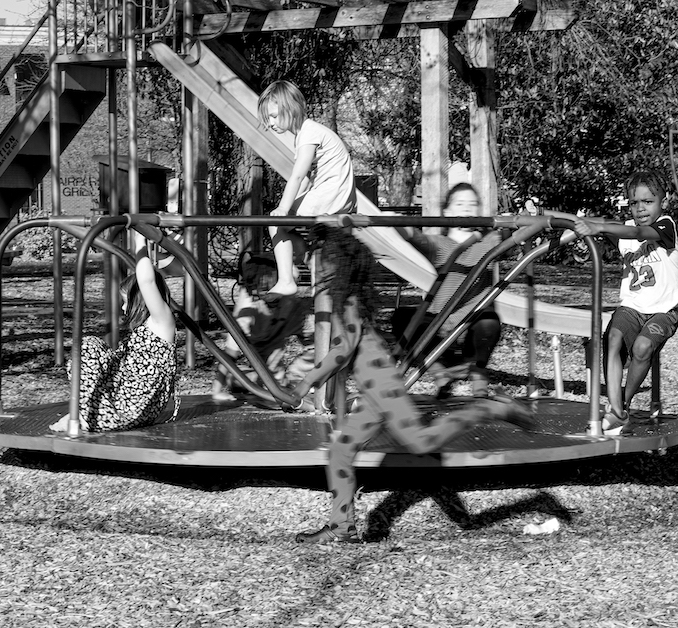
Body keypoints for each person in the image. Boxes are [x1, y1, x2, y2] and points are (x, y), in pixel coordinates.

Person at [291, 226, 536, 543]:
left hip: (384, 389)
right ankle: (342, 525)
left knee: (421, 443)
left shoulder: (347, 302)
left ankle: (490, 407)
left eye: (324, 260)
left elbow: (342, 350)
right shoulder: (345, 299)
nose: (318, 265)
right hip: (373, 392)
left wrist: (304, 384)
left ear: (340, 266)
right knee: (340, 450)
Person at [573, 169, 678, 435]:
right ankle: (616, 411)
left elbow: (640, 233)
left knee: (643, 347)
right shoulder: (624, 231)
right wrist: (582, 234)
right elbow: (605, 234)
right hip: (632, 307)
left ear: (663, 202)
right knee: (612, 338)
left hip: (663, 311)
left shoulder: (666, 225)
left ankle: (622, 403)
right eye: (634, 203)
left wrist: (598, 227)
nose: (640, 208)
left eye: (648, 201)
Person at [392, 177, 503, 398]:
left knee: (490, 322)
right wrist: (392, 221)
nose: (466, 210)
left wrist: (511, 223)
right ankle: (438, 371)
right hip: (440, 320)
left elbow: (514, 235)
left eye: (472, 205)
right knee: (401, 319)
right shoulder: (439, 244)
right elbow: (414, 237)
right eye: (459, 204)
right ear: (447, 210)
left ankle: (478, 378)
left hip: (474, 318)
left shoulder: (490, 241)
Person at [51, 245, 179, 433]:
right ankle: (86, 413)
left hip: (131, 409)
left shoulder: (161, 322)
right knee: (93, 346)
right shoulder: (147, 329)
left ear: (141, 300)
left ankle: (85, 417)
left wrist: (140, 243)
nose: (123, 308)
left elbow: (146, 281)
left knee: (87, 347)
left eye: (127, 301)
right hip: (130, 406)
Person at [257, 80, 357, 299]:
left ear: (291, 109)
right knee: (282, 224)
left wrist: (283, 208)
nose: (271, 123)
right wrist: (289, 206)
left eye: (274, 116)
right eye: (268, 118)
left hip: (332, 194)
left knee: (276, 224)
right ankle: (308, 261)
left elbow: (298, 175)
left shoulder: (309, 133)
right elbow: (307, 180)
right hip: (340, 195)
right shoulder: (309, 132)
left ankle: (286, 280)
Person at [212, 252, 314, 404]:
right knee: (273, 384)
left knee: (320, 345)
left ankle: (296, 379)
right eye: (264, 289)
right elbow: (230, 352)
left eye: (273, 285)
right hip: (261, 337)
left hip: (286, 316)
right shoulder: (247, 310)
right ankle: (237, 378)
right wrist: (217, 390)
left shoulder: (287, 285)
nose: (270, 293)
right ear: (255, 291)